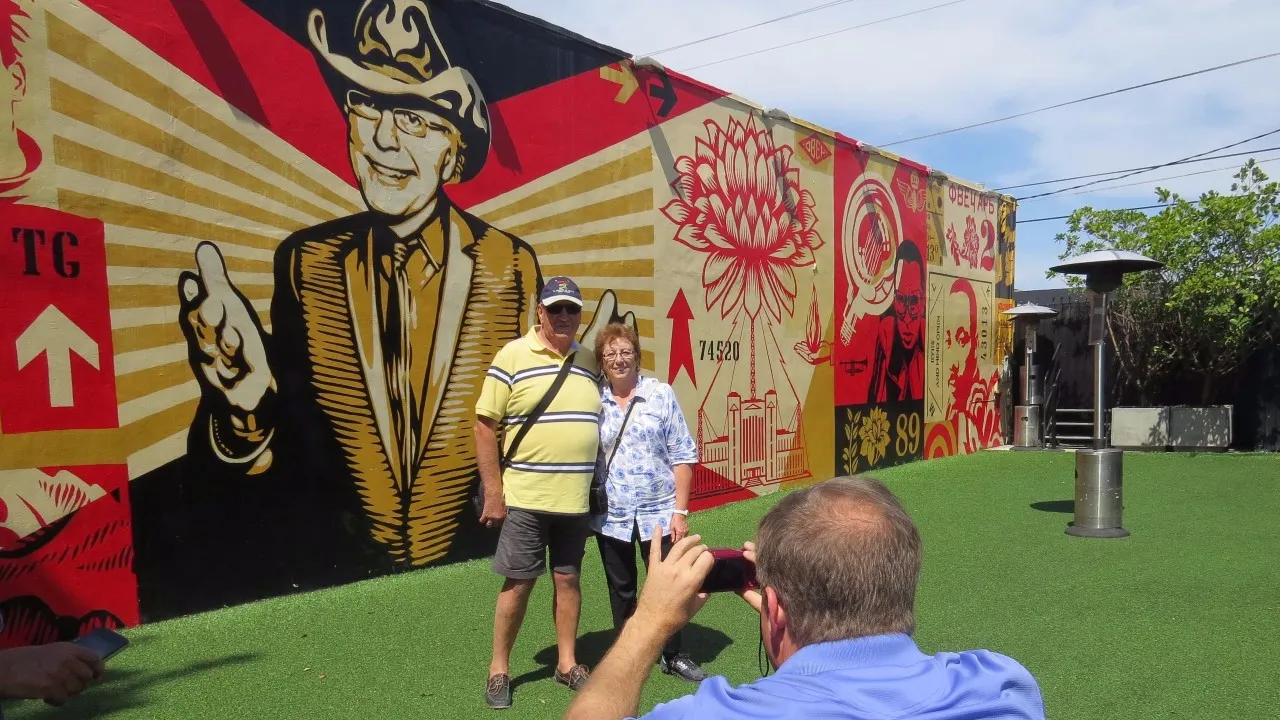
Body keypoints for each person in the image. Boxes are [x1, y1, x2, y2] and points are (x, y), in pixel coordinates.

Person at [136, 0, 629, 608]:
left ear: (454, 151)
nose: (384, 139)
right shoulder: (306, 263)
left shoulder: (510, 265)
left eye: (416, 120)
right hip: (338, 576)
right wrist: (246, 417)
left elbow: (519, 400)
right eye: (366, 106)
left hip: (469, 563)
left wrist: (587, 372)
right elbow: (287, 450)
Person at [564, 476, 1046, 720]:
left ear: (773, 609)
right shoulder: (1000, 685)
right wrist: (791, 627)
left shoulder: (720, 713)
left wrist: (647, 623)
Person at [475, 276, 604, 710]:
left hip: (575, 499)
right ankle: (498, 669)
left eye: (572, 309)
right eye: (556, 308)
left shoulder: (589, 360)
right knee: (519, 582)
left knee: (568, 579)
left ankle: (567, 663)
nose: (564, 316)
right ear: (540, 312)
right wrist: (494, 494)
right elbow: (484, 425)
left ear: (580, 315)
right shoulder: (512, 355)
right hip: (526, 499)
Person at [591, 322, 706, 683]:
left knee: (668, 586)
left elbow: (682, 454)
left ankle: (673, 654)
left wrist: (680, 511)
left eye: (626, 352)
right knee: (621, 589)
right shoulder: (594, 400)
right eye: (611, 353)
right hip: (612, 515)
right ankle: (629, 655)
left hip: (660, 511)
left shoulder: (660, 394)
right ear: (602, 361)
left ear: (637, 356)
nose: (619, 359)